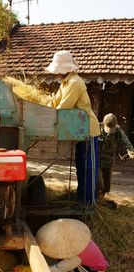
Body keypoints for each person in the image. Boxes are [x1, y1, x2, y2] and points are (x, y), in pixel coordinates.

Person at [46, 50, 100, 206]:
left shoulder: (75, 83)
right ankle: (81, 198)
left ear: (65, 69)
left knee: (89, 169)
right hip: (78, 130)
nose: (56, 73)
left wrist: (50, 117)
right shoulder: (65, 83)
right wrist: (43, 111)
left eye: (58, 70)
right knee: (80, 166)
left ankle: (90, 203)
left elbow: (64, 107)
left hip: (88, 130)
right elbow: (54, 103)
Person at [14, 218, 109, 272]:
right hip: (86, 266)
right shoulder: (78, 240)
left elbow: (54, 271)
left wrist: (29, 270)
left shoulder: (76, 257)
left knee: (68, 269)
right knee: (64, 262)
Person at [98, 113, 134, 204]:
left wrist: (131, 151)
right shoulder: (97, 127)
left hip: (109, 160)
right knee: (98, 181)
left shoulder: (118, 130)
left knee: (107, 185)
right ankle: (97, 197)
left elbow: (126, 141)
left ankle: (102, 198)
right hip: (97, 160)